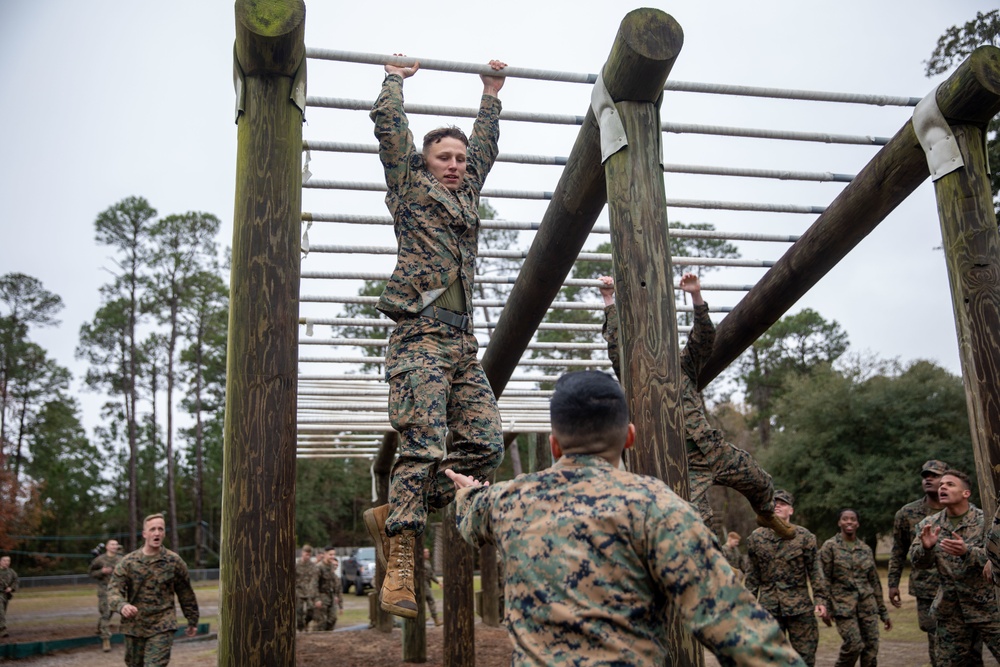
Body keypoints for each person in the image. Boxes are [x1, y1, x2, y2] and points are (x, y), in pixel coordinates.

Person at [445, 370, 806, 666]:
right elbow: (737, 629)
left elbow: (471, 511)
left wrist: (467, 491)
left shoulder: (509, 500)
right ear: (629, 437)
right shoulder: (658, 507)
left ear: (555, 443)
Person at [363, 55, 508, 619]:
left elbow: (485, 151)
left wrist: (491, 95)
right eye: (443, 157)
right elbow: (389, 132)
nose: (454, 164)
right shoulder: (409, 189)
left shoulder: (465, 194)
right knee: (422, 444)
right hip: (419, 338)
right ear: (424, 164)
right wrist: (394, 82)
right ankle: (400, 570)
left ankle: (399, 510)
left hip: (462, 345)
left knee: (486, 446)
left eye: (458, 158)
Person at [599, 274, 793, 540]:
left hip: (713, 449)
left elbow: (703, 339)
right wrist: (609, 298)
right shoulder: (635, 374)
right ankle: (712, 564)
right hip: (685, 463)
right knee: (700, 522)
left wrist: (696, 296)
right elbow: (616, 346)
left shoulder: (683, 365)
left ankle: (766, 513)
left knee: (759, 480)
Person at [910, 469, 1000, 666]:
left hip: (988, 607)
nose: (942, 487)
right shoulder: (929, 525)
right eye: (941, 484)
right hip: (951, 610)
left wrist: (968, 551)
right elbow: (917, 563)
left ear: (965, 493)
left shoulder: (986, 521)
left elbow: (996, 556)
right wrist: (926, 548)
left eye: (950, 484)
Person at [745, 489, 829, 667]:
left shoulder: (805, 537)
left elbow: (815, 570)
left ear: (791, 510)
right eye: (774, 503)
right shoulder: (756, 538)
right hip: (769, 608)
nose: (777, 506)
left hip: (800, 607)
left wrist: (820, 599)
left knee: (805, 655)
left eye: (783, 503)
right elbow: (752, 576)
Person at [887, 459, 955, 667]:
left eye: (934, 475)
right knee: (936, 639)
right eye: (925, 476)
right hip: (927, 587)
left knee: (967, 641)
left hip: (958, 585)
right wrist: (892, 583)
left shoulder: (958, 508)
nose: (928, 479)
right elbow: (898, 551)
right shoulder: (907, 513)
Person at [107, 514, 199, 666]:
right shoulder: (128, 562)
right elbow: (113, 590)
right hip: (134, 626)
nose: (156, 533)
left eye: (160, 529)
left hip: (162, 624)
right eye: (152, 529)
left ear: (163, 533)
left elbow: (185, 592)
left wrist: (192, 619)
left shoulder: (174, 561)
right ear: (144, 534)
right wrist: (122, 605)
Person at [819, 509, 892, 667]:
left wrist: (883, 612)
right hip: (843, 607)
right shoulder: (830, 547)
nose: (849, 522)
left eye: (853, 519)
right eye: (845, 519)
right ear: (839, 523)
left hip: (867, 606)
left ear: (857, 523)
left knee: (871, 648)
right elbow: (823, 579)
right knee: (854, 645)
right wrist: (825, 607)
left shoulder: (865, 549)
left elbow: (874, 582)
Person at [90, 538, 123, 652]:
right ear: (107, 547)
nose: (114, 546)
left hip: (118, 591)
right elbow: (91, 572)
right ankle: (106, 640)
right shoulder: (99, 560)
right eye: (112, 544)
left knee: (110, 613)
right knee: (105, 613)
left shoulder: (121, 559)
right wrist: (101, 572)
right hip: (104, 591)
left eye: (116, 544)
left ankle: (100, 628)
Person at [316, 550, 343, 631]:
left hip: (331, 597)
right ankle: (320, 639)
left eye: (333, 554)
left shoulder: (331, 567)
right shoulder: (319, 567)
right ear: (325, 554)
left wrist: (339, 603)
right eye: (330, 554)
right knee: (322, 621)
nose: (332, 556)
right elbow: (314, 584)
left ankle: (328, 637)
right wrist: (317, 599)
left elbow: (335, 586)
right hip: (322, 596)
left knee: (332, 619)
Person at [295, 545, 320, 632]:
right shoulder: (297, 565)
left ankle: (306, 622)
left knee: (311, 610)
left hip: (309, 592)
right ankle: (301, 629)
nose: (307, 557)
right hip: (299, 592)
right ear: (302, 553)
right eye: (306, 554)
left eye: (309, 555)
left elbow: (315, 581)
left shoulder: (312, 566)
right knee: (299, 613)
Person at [422, 548, 441, 627]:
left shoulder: (427, 562)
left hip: (426, 584)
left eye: (428, 552)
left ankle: (434, 619)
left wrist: (438, 582)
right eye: (426, 552)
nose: (428, 554)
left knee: (426, 600)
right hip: (423, 584)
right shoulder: (419, 562)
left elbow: (431, 574)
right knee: (430, 599)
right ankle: (435, 619)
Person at [0, 556, 17, 639]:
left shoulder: (11, 572)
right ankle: (3, 631)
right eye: (4, 560)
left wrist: (11, 588)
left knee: (3, 612)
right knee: (1, 612)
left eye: (8, 561)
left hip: (5, 595)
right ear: (0, 561)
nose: (6, 562)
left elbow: (16, 580)